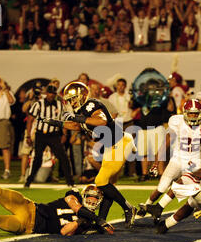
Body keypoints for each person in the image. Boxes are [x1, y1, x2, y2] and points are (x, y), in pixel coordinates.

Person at [43, 81, 137, 228]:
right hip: (112, 146)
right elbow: (76, 126)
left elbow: (101, 121)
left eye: (73, 99)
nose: (71, 102)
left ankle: (128, 208)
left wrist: (74, 117)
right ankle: (102, 220)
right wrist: (55, 123)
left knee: (100, 181)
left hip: (120, 143)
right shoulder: (82, 110)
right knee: (107, 185)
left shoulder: (90, 104)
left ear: (81, 96)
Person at [0, 177, 114, 236]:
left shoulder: (86, 224)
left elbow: (65, 231)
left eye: (93, 200)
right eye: (89, 198)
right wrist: (97, 219)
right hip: (29, 207)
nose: (90, 201)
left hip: (28, 226)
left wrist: (84, 222)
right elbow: (75, 207)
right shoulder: (73, 196)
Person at [139, 99, 201, 222]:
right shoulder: (177, 122)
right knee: (162, 187)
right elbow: (165, 144)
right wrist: (156, 163)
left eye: (196, 113)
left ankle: (163, 210)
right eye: (191, 113)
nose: (194, 116)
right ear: (185, 113)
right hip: (177, 159)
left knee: (191, 190)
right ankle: (147, 205)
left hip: (194, 163)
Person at [24, 84, 74, 188]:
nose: (51, 95)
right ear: (46, 93)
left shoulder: (60, 105)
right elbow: (30, 119)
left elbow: (63, 120)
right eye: (49, 93)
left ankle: (70, 182)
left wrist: (64, 134)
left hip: (54, 135)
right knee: (37, 159)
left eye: (53, 93)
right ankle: (29, 181)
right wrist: (28, 136)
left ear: (55, 94)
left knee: (63, 157)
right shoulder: (39, 104)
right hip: (41, 134)